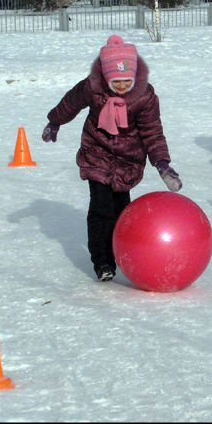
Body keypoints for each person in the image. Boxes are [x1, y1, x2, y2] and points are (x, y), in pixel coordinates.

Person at [42, 35, 182, 282]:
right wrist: (54, 121)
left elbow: (152, 130)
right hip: (96, 151)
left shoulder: (145, 97)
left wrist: (162, 163)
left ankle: (123, 254)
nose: (122, 86)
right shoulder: (93, 88)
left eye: (127, 80)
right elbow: (70, 103)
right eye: (116, 81)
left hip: (128, 160)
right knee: (100, 208)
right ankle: (103, 262)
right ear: (106, 77)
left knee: (121, 211)